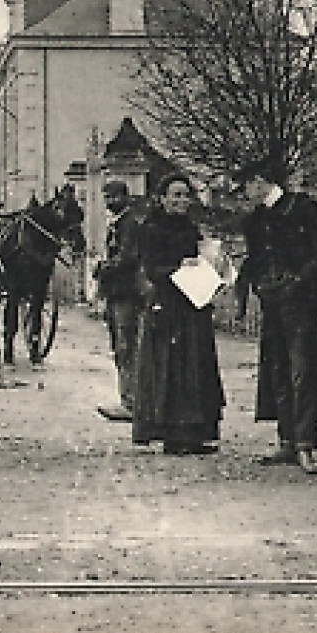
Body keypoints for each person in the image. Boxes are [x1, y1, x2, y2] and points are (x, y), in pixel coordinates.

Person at [237, 158, 317, 474]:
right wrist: (251, 289)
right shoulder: (255, 220)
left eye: (248, 184)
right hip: (272, 301)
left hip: (301, 302)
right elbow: (254, 259)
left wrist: (300, 281)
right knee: (277, 368)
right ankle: (287, 441)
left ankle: (306, 443)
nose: (245, 192)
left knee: (302, 370)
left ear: (261, 180)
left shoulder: (302, 209)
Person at [130, 173, 226, 455]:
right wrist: (179, 268)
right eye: (175, 195)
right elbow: (151, 270)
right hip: (168, 307)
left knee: (195, 368)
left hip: (193, 305)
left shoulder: (191, 229)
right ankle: (172, 435)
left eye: (185, 195)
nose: (181, 201)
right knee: (172, 369)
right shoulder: (151, 229)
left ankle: (194, 434)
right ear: (161, 199)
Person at [93, 179, 146, 422]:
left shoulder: (130, 225)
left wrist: (103, 268)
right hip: (115, 294)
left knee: (126, 347)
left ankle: (132, 402)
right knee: (120, 346)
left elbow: (128, 258)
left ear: (125, 197)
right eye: (107, 198)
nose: (110, 202)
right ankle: (127, 398)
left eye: (114, 197)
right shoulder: (118, 224)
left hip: (127, 293)